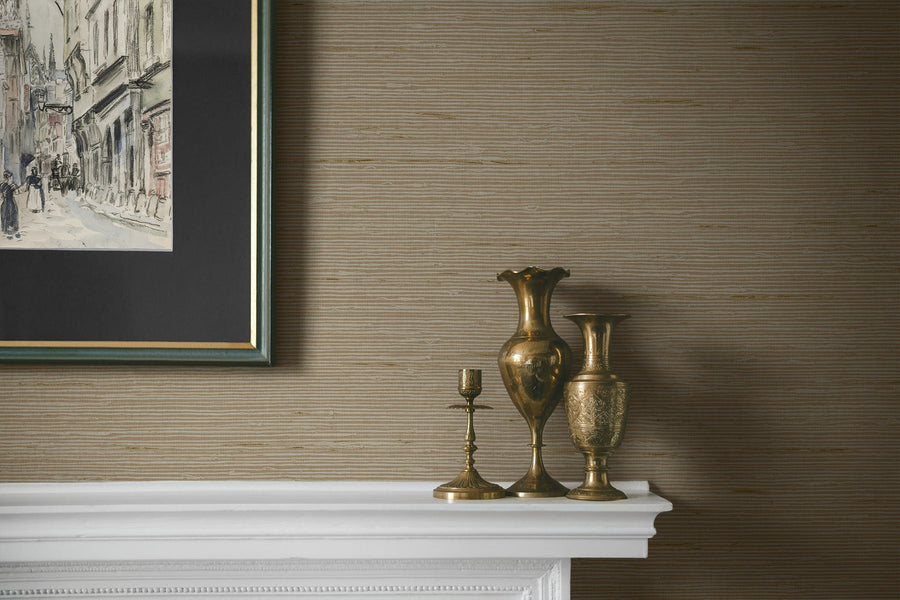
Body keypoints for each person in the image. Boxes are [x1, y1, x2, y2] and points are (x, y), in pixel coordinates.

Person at [0, 170, 19, 238]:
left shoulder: (3, 185)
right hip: (9, 202)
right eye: (11, 178)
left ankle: (8, 229)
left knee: (9, 214)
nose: (11, 179)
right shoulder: (7, 185)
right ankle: (9, 229)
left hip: (7, 202)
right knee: (8, 214)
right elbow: (16, 193)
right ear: (7, 178)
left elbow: (1, 196)